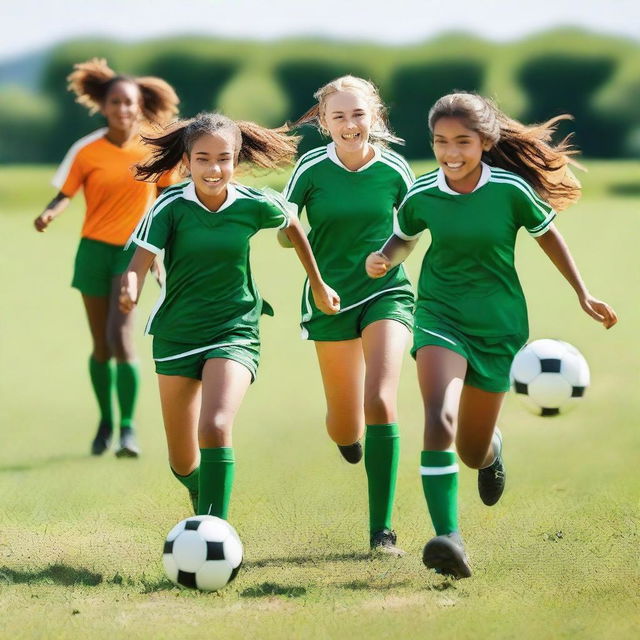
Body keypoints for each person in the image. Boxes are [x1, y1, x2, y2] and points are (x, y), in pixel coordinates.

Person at [366, 92, 618, 577]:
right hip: (439, 315)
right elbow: (402, 237)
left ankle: (491, 452)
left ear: (485, 142)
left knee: (470, 447)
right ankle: (449, 539)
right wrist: (384, 258)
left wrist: (583, 294)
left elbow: (548, 235)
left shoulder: (509, 190)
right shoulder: (422, 192)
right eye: (441, 142)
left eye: (463, 141)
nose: (451, 153)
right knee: (439, 418)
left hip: (499, 325)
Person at [119, 112, 340, 518]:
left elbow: (292, 223)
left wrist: (319, 284)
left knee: (216, 427)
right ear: (187, 161)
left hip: (234, 329)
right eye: (203, 158)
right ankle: (200, 491)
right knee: (183, 461)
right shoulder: (169, 206)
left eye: (223, 158)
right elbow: (138, 263)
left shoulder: (252, 204)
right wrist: (131, 286)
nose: (214, 168)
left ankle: (213, 529)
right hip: (177, 335)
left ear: (237, 160)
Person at [281, 76, 415, 555]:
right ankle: (349, 436)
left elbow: (412, 229)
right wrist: (287, 228)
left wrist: (390, 258)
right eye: (338, 116)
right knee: (346, 422)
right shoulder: (310, 168)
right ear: (323, 122)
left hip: (387, 295)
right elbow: (286, 223)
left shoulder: (397, 170)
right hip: (328, 299)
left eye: (358, 114)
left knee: (380, 399)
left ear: (374, 116)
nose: (350, 124)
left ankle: (382, 531)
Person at [33, 58, 180, 458]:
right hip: (93, 251)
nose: (122, 109)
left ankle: (128, 430)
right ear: (103, 106)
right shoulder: (87, 150)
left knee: (120, 338)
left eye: (129, 102)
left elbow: (169, 197)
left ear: (140, 104)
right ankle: (105, 422)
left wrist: (163, 249)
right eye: (115, 102)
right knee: (100, 345)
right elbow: (65, 193)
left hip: (134, 251)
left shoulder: (154, 147)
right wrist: (49, 213)